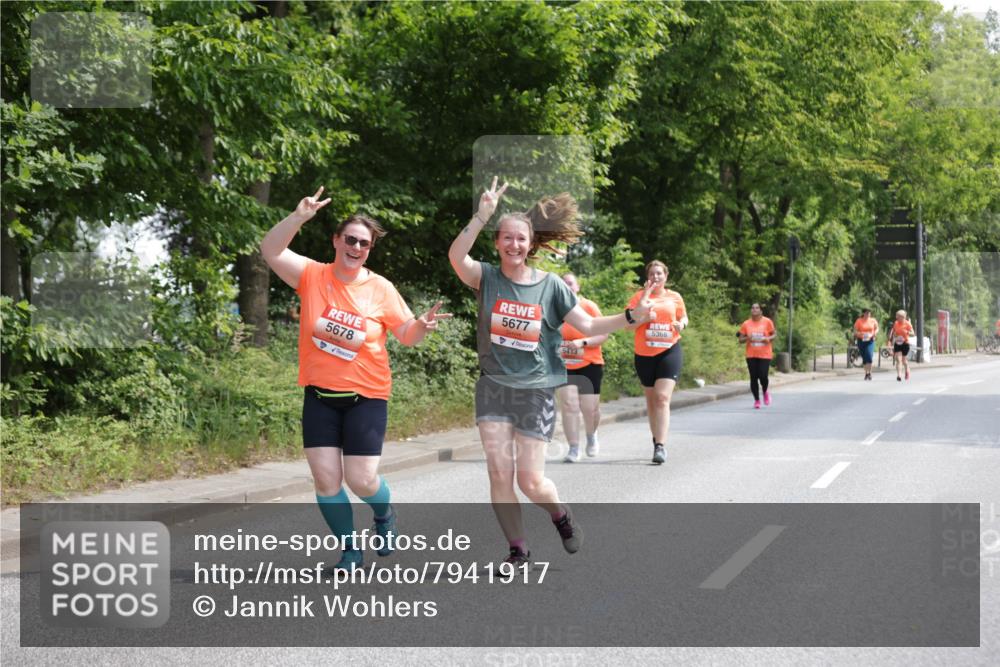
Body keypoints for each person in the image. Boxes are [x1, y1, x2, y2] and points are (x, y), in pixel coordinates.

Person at [448, 177, 654, 567]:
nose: (513, 245)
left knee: (530, 481)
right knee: (498, 473)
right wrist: (480, 216)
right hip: (493, 387)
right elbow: (457, 258)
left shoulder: (551, 286)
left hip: (536, 390)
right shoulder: (486, 277)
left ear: (531, 244)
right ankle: (518, 549)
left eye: (520, 239)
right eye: (506, 238)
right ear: (497, 243)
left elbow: (590, 327)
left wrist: (630, 317)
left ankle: (560, 514)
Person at [260, 187, 451, 571]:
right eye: (350, 239)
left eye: (364, 243)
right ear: (336, 241)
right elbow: (271, 251)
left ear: (369, 250)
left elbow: (407, 337)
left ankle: (384, 514)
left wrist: (423, 327)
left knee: (362, 481)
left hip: (367, 395)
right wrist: (298, 217)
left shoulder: (381, 288)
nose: (356, 247)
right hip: (319, 395)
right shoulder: (312, 276)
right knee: (327, 482)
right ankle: (350, 549)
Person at [628, 260, 687, 465]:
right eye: (652, 274)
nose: (656, 277)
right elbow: (628, 325)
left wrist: (682, 325)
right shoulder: (639, 297)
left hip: (669, 350)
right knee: (651, 400)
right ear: (647, 277)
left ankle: (660, 446)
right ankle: (656, 439)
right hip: (644, 353)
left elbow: (684, 318)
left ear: (666, 276)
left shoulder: (675, 297)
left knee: (662, 398)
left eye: (659, 274)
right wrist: (645, 318)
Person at [557, 273, 608, 462]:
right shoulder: (553, 308)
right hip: (564, 364)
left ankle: (591, 436)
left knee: (590, 409)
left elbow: (604, 335)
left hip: (590, 363)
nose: (567, 287)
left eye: (570, 283)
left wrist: (582, 342)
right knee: (569, 405)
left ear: (577, 287)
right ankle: (573, 448)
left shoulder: (588, 306)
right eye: (563, 285)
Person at [738, 303, 776, 408]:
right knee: (753, 377)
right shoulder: (746, 324)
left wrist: (768, 338)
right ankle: (757, 400)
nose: (754, 309)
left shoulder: (767, 322)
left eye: (757, 308)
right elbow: (740, 339)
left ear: (760, 311)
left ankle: (765, 391)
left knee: (763, 376)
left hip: (765, 354)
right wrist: (747, 338)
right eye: (753, 308)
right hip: (751, 354)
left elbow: (774, 334)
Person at [853, 308, 880, 381]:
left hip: (870, 340)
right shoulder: (859, 321)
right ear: (863, 313)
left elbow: (877, 328)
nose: (868, 314)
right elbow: (855, 330)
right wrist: (859, 333)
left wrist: (874, 333)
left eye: (869, 313)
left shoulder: (873, 320)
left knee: (869, 356)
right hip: (861, 340)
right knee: (864, 358)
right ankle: (866, 373)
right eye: (867, 313)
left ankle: (869, 373)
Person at [889, 309, 915, 381]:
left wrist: (907, 332)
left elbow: (913, 333)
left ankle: (907, 370)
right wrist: (894, 337)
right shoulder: (896, 323)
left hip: (905, 343)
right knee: (898, 359)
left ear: (903, 317)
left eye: (899, 316)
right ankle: (899, 375)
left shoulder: (907, 324)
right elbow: (894, 332)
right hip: (897, 343)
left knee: (904, 361)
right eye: (897, 316)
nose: (897, 318)